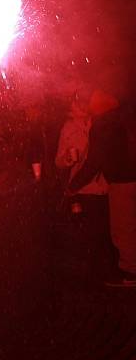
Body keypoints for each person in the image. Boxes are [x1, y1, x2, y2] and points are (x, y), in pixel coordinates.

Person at [67, 90, 136, 287]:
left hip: (123, 180)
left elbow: (94, 161)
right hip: (132, 176)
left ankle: (131, 273)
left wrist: (73, 185)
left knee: (123, 230)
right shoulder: (124, 118)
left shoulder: (103, 125)